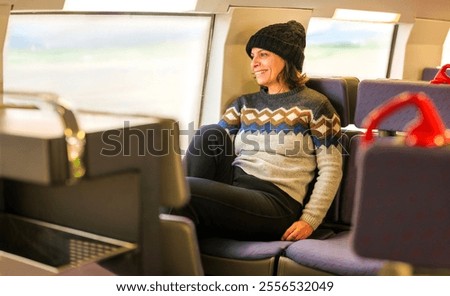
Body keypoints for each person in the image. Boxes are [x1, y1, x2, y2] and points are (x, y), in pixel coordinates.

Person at [174, 20, 343, 241]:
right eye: (253, 56)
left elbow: (331, 169)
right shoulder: (244, 104)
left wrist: (309, 220)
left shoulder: (316, 106)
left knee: (181, 191)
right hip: (235, 190)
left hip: (275, 202)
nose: (254, 63)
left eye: (263, 55)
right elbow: (209, 153)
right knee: (209, 134)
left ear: (286, 59)